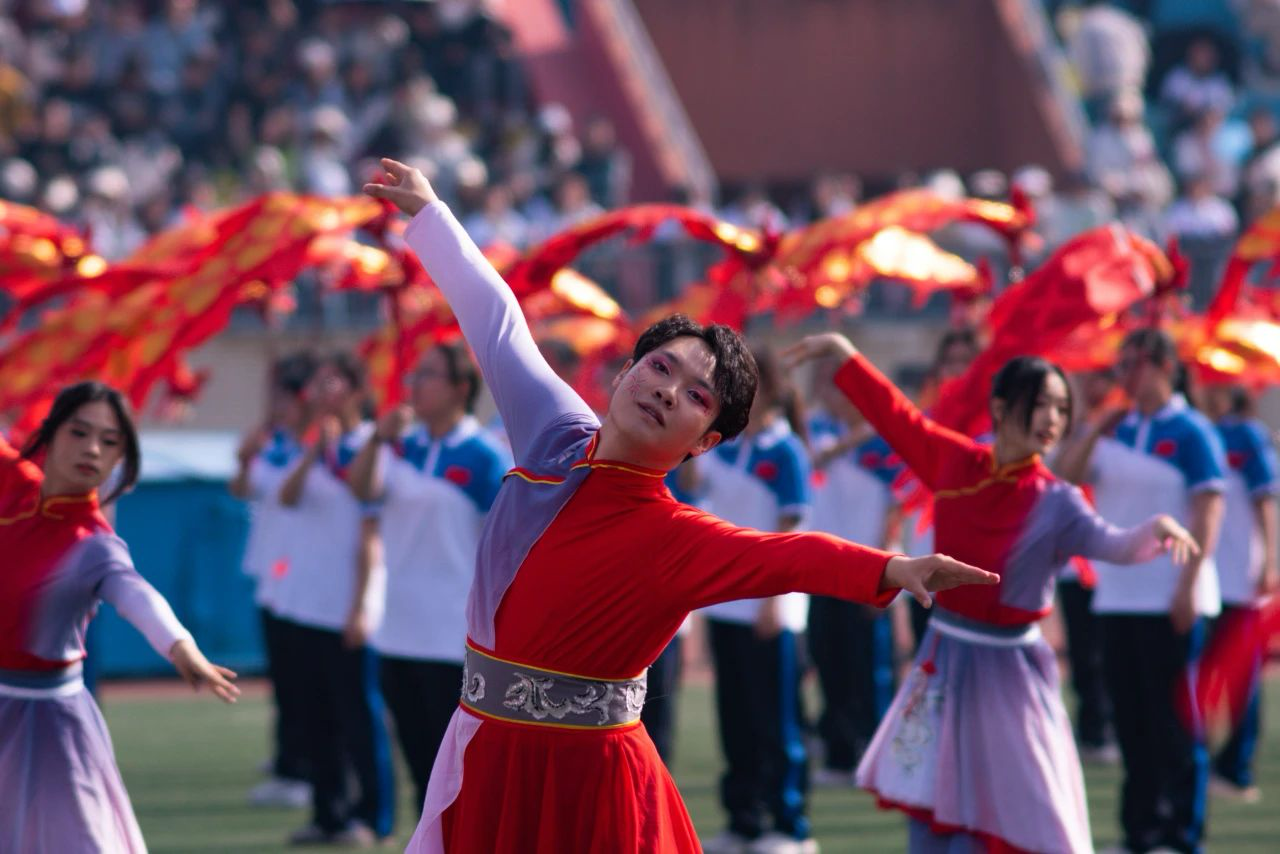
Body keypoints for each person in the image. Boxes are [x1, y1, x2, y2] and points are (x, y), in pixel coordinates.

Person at [363, 158, 996, 854]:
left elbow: (788, 556)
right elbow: (496, 322)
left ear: (705, 442)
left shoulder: (675, 535)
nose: (667, 390)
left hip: (590, 781)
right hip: (487, 751)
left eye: (697, 396)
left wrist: (893, 567)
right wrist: (432, 215)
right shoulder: (552, 432)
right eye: (660, 366)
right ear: (627, 370)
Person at [785, 332, 1200, 854]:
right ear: (1000, 409)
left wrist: (1156, 529)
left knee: (1019, 810)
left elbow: (1113, 544)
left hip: (1011, 671)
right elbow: (897, 418)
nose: (1053, 418)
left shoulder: (1058, 501)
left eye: (1062, 408)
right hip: (944, 658)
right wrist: (846, 355)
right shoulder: (956, 464)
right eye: (1041, 404)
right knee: (934, 805)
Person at [1, 382, 238, 853]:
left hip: (52, 725)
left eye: (109, 442)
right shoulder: (12, 485)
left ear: (120, 460)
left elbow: (136, 594)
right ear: (50, 434)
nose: (92, 448)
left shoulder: (93, 543)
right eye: (79, 432)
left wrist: (180, 646)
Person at [1055, 328, 1226, 854]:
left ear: (1163, 366)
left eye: (1133, 363)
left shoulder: (1192, 431)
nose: (1123, 374)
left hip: (1169, 598)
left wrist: (1187, 586)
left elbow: (1208, 511)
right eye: (1120, 364)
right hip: (1117, 597)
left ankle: (1181, 835)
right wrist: (1093, 429)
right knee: (1131, 722)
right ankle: (1140, 832)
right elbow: (1063, 476)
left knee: (1174, 722)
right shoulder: (1117, 429)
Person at [347, 342, 510, 813]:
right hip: (398, 627)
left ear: (460, 388)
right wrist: (376, 440)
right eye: (414, 375)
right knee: (420, 763)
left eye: (428, 375)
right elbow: (361, 490)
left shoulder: (484, 456)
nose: (414, 385)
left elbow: (507, 544)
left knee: (458, 767)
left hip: (453, 634)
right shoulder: (402, 445)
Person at [698, 348, 818, 854]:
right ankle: (743, 819)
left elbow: (792, 528)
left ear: (770, 389)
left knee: (776, 720)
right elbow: (692, 492)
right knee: (736, 719)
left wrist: (773, 600)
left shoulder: (786, 451)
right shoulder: (723, 446)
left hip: (771, 607)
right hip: (726, 603)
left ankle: (789, 825)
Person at [275, 352, 395, 846]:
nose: (322, 392)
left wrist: (361, 605)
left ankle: (375, 818)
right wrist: (314, 450)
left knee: (359, 716)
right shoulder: (318, 444)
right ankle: (329, 814)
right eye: (319, 383)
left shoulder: (371, 445)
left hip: (349, 604)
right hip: (308, 603)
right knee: (316, 716)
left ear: (357, 391)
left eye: (333, 382)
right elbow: (286, 497)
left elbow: (370, 529)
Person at [806, 357, 902, 787]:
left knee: (871, 666)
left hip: (869, 569)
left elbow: (896, 508)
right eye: (829, 386)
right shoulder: (817, 430)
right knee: (829, 661)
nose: (836, 394)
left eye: (844, 386)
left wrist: (884, 566)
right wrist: (854, 435)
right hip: (824, 568)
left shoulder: (885, 443)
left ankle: (878, 758)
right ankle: (840, 753)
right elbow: (814, 457)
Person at [228, 351, 315, 808]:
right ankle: (289, 762)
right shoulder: (275, 443)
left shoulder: (320, 448)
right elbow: (243, 489)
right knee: (285, 680)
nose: (276, 406)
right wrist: (245, 460)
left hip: (309, 582)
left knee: (307, 683)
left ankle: (304, 769)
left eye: (284, 397)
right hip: (274, 577)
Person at [1201, 382, 1278, 803]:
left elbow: (1265, 500)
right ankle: (1210, 760)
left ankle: (1237, 768)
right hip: (1206, 581)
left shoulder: (1245, 435)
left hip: (1241, 581)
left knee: (1241, 676)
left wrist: (1268, 563)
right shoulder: (1197, 430)